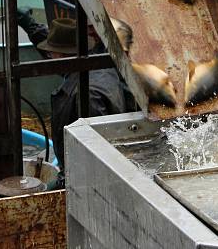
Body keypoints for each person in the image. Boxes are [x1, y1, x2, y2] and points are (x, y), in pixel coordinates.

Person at [16, 12, 135, 169]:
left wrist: (69, 175)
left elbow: (97, 150)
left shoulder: (86, 94)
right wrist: (28, 23)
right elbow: (58, 42)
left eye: (52, 52)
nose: (49, 55)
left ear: (63, 55)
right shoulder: (96, 62)